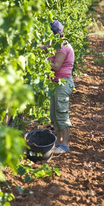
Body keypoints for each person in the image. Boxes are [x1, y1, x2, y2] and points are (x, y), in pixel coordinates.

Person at [40, 20, 75, 155]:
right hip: (56, 84)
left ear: (55, 34)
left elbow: (56, 66)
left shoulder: (62, 46)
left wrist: (41, 61)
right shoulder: (56, 44)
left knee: (61, 114)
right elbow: (44, 47)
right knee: (54, 115)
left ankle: (63, 144)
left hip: (62, 84)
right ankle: (59, 142)